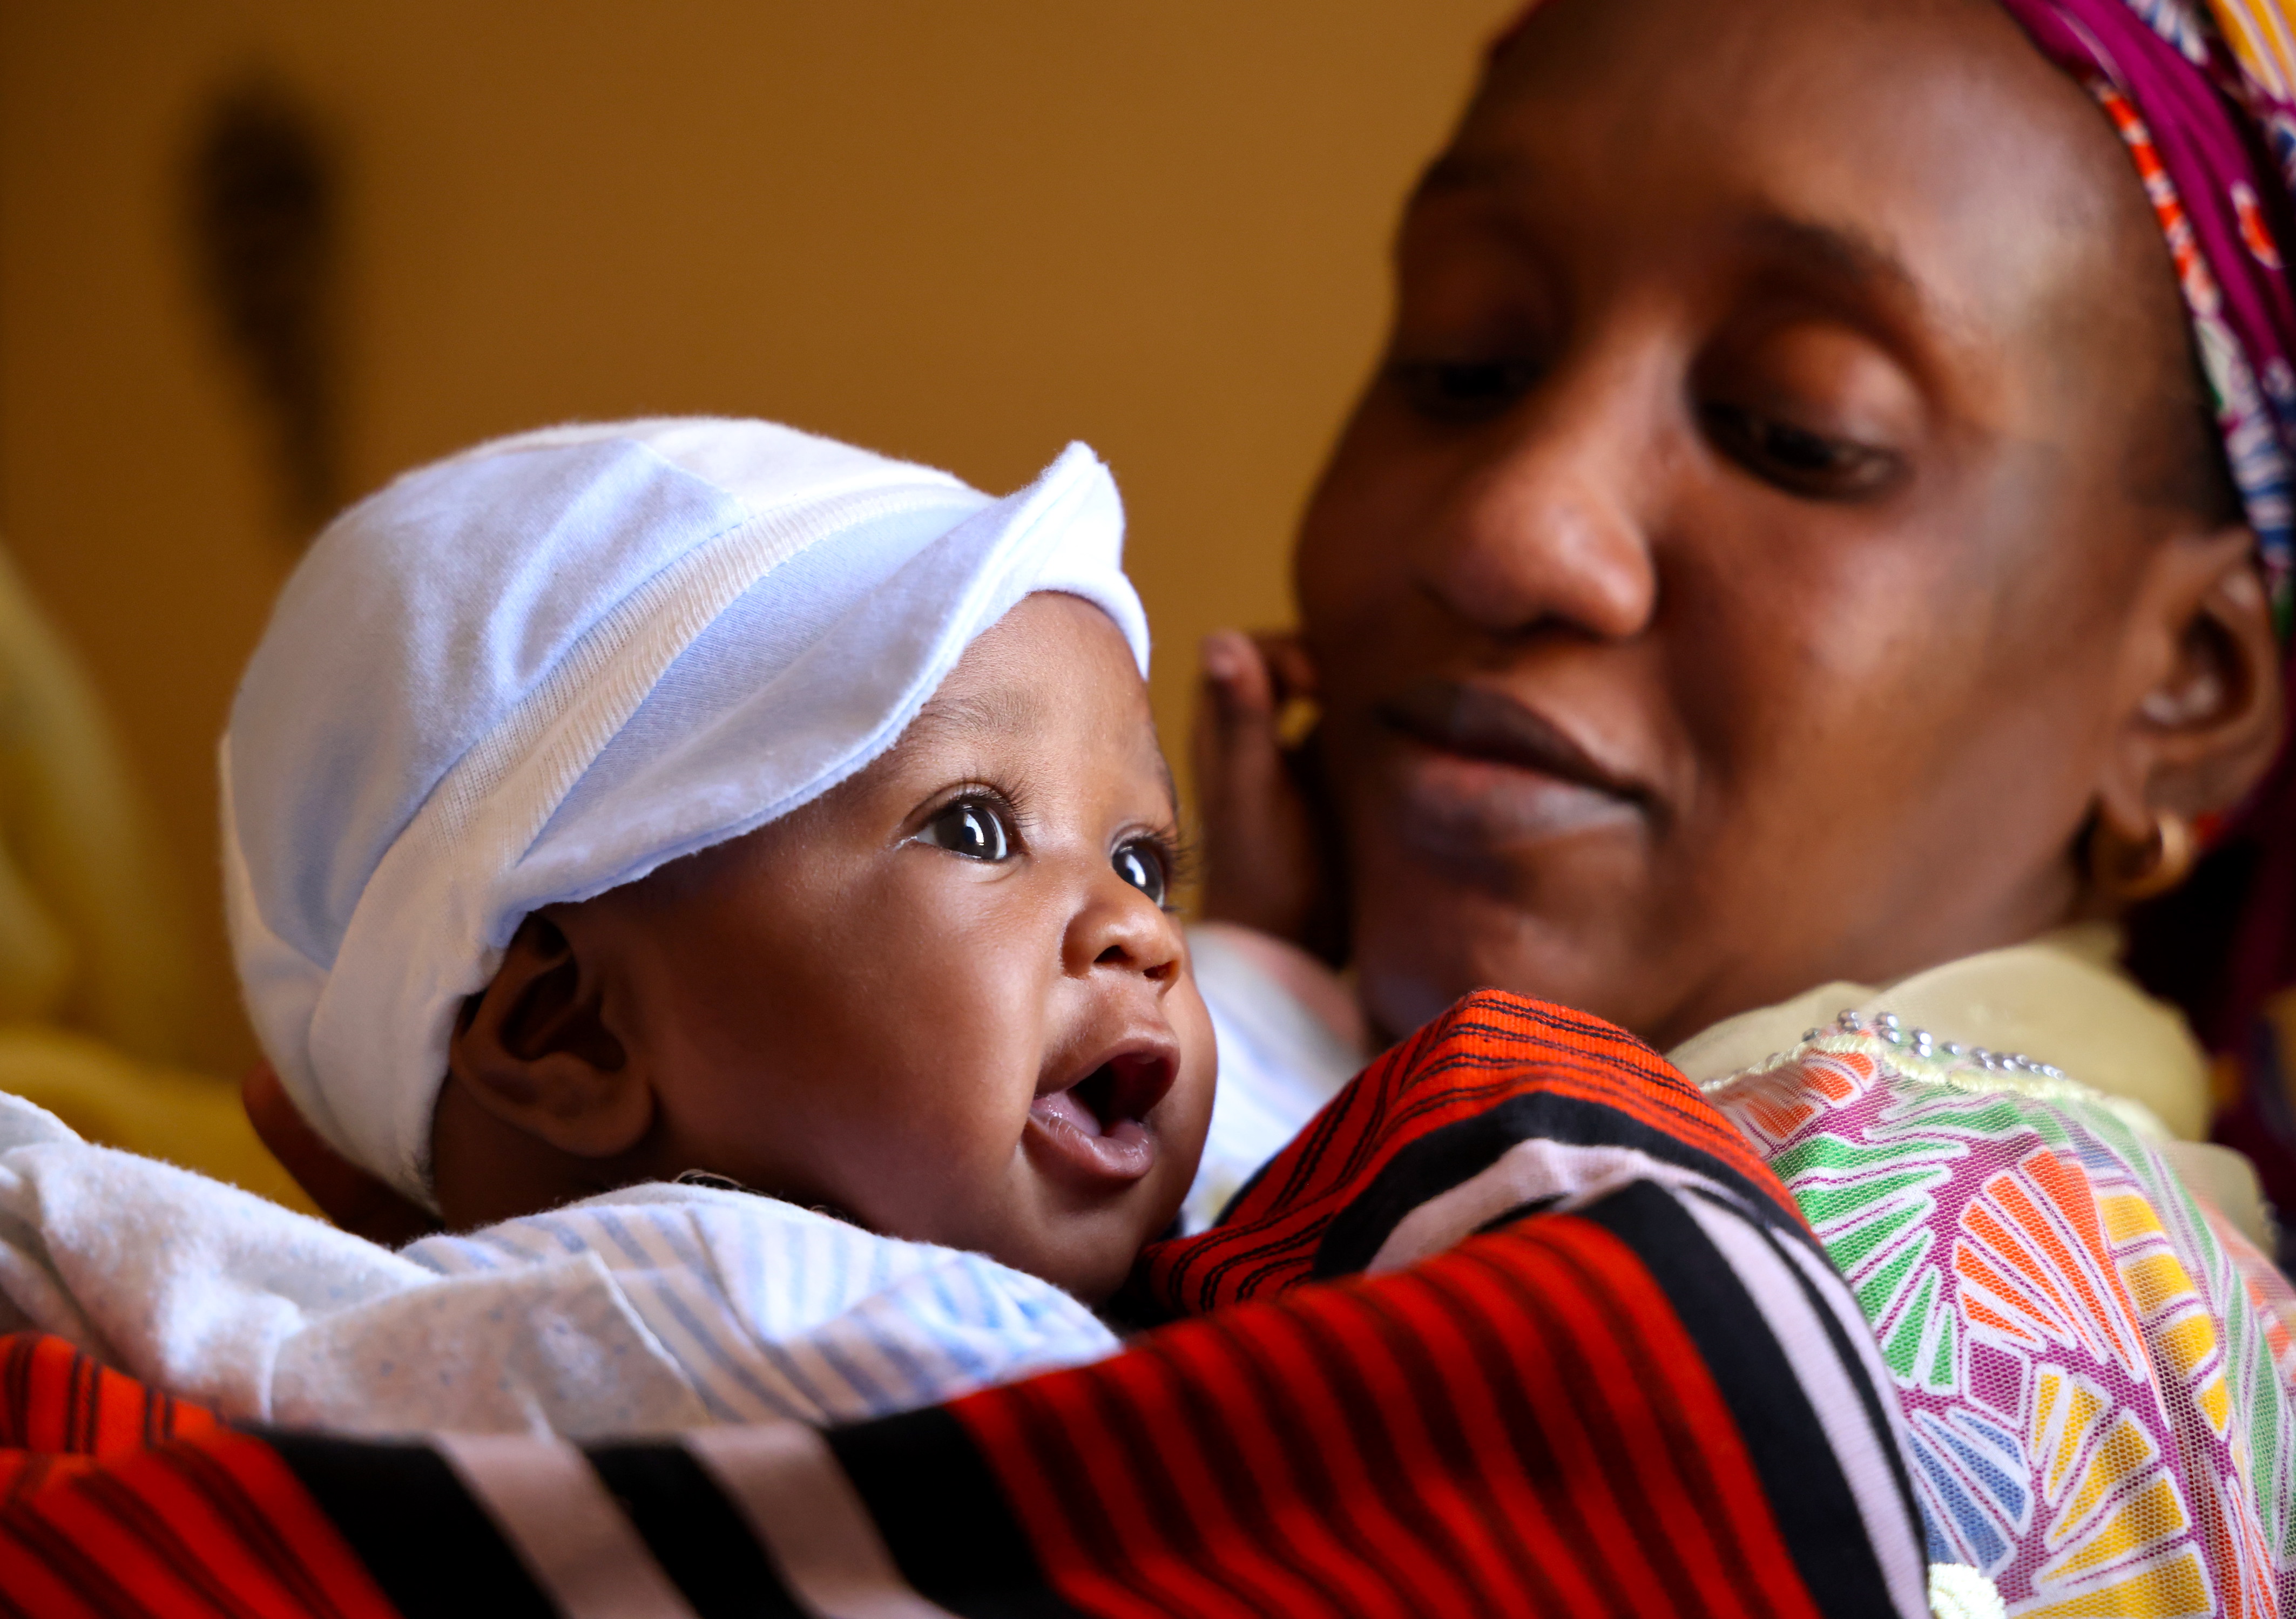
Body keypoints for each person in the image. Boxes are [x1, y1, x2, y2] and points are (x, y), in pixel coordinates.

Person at [1187, 0, 2296, 1610]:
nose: (1514, 529)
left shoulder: (1932, 1284)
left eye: (1797, 434)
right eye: (1464, 360)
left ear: (2177, 692)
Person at [0, 418, 1215, 1431]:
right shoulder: (735, 1301)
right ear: (569, 1030)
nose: (1138, 933)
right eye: (973, 830)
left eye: (1142, 861)